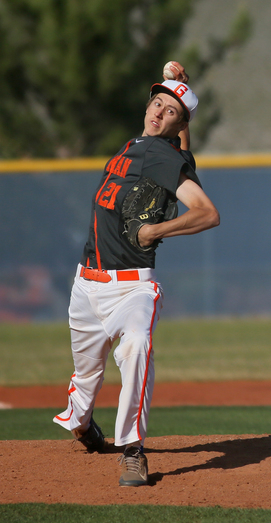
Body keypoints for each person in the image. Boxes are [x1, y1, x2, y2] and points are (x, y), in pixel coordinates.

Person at [53, 62, 220, 487]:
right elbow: (182, 147)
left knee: (136, 349)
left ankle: (132, 450)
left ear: (177, 125)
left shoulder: (162, 158)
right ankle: (83, 422)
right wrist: (179, 91)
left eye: (169, 112)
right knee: (86, 377)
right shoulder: (138, 146)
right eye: (156, 104)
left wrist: (156, 230)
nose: (158, 113)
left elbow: (207, 212)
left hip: (132, 287)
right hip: (86, 284)